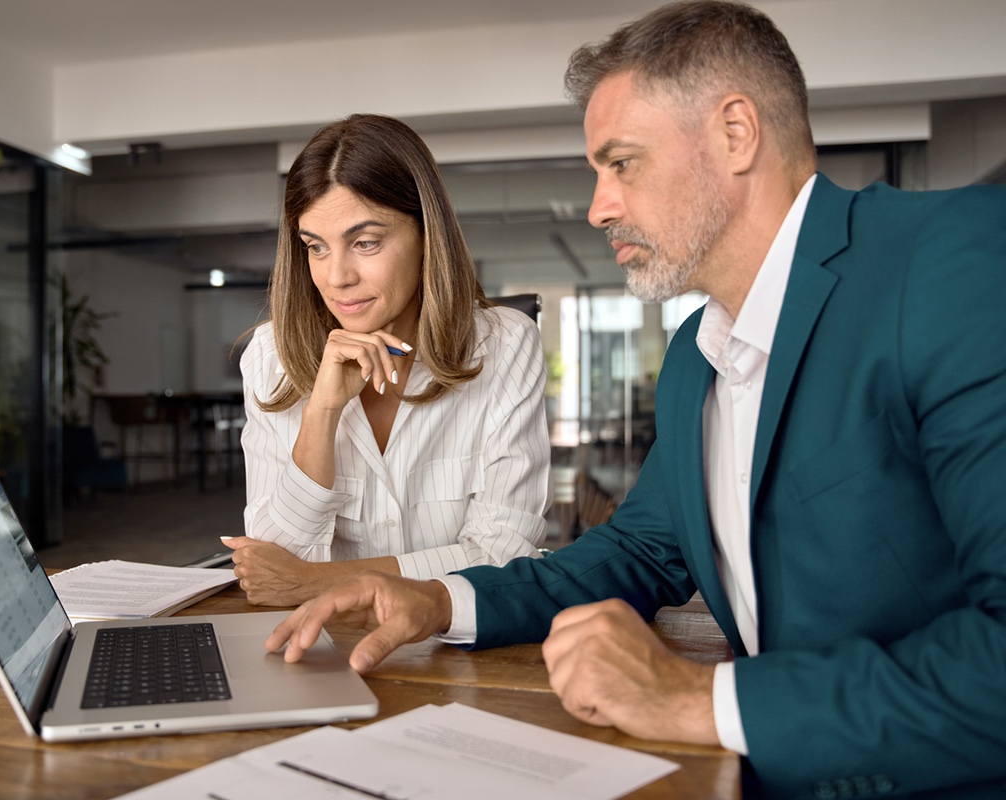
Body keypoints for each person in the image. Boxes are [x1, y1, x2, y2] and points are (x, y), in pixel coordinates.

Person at [266, 3, 1006, 798]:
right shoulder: (697, 356)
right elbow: (639, 553)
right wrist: (435, 601)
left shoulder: (949, 259)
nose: (599, 206)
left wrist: (700, 699)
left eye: (621, 163)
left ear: (735, 133)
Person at [225, 114, 551, 607]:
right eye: (315, 246)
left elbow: (504, 554)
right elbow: (273, 565)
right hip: (322, 646)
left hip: (461, 647)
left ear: (426, 234)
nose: (337, 277)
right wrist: (322, 412)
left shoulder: (506, 345)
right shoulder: (271, 356)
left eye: (365, 242)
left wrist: (320, 583)